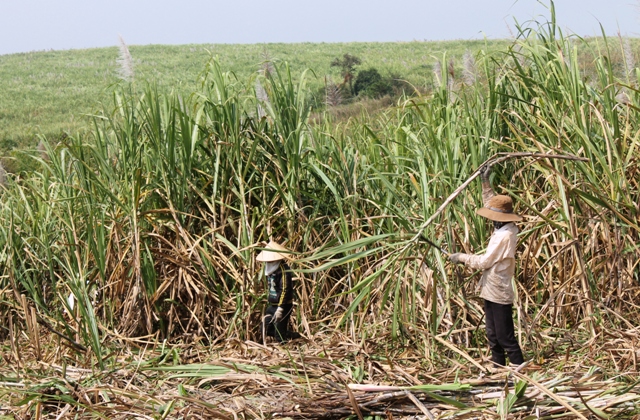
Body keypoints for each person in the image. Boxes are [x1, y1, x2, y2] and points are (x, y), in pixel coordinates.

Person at [448, 166, 525, 367]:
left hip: (499, 288)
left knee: (504, 335)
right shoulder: (502, 226)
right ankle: (498, 367)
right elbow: (491, 203)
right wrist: (485, 182)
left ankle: (520, 369)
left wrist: (461, 257)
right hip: (489, 287)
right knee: (492, 333)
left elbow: (485, 262)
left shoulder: (506, 235)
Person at [256, 240, 300, 343]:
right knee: (265, 329)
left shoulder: (284, 271)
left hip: (283, 305)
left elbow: (285, 289)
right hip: (273, 305)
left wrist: (280, 308)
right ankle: (293, 335)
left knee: (279, 335)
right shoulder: (271, 269)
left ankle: (287, 351)